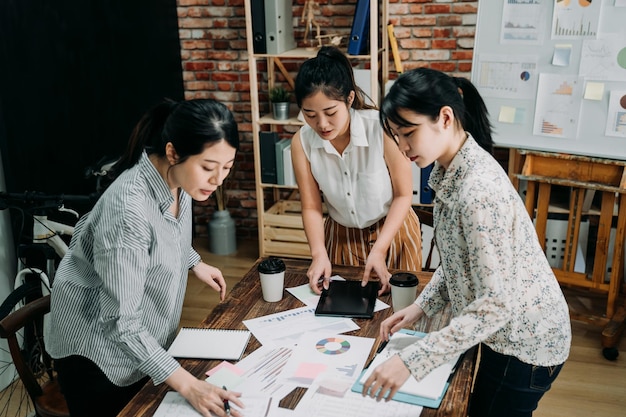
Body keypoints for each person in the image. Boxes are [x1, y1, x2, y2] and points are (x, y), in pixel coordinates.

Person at [361, 68, 571, 417]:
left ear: (445, 117)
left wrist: (412, 360)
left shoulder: (477, 191)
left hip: (522, 345)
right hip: (503, 335)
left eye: (408, 132)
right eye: (396, 136)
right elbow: (459, 259)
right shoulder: (449, 169)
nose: (402, 147)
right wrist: (420, 307)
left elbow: (494, 306)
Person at [45, 99, 244, 417]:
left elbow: (165, 233)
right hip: (100, 357)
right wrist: (190, 386)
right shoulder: (128, 211)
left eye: (227, 167)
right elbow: (121, 323)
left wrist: (193, 261)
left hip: (143, 343)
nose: (218, 179)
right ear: (173, 152)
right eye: (208, 167)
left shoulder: (181, 181)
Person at [291, 45, 422, 295]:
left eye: (330, 112)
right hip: (341, 238)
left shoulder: (380, 128)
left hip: (393, 233)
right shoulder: (302, 142)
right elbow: (311, 206)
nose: (322, 124)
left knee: (400, 310)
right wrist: (318, 254)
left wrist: (380, 248)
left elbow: (404, 195)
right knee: (347, 312)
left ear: (349, 99)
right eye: (310, 115)